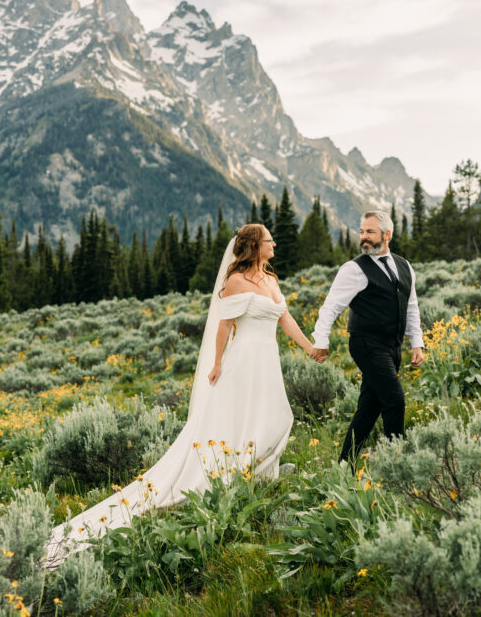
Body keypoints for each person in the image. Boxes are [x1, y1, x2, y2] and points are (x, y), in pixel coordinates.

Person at [43, 223, 315, 568]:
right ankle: (239, 477)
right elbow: (224, 325)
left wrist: (309, 348)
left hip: (268, 361)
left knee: (276, 414)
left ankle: (259, 474)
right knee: (238, 420)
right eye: (268, 240)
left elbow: (285, 318)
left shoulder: (272, 281)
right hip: (244, 360)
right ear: (253, 246)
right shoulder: (236, 281)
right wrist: (216, 364)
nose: (274, 244)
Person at [309, 211, 424, 471]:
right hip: (366, 344)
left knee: (368, 409)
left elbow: (412, 306)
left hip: (392, 346)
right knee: (394, 400)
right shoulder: (353, 269)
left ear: (387, 234)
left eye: (370, 232)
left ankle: (343, 467)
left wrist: (416, 342)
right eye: (361, 232)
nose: (364, 238)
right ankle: (398, 468)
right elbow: (330, 307)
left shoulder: (405, 266)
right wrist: (321, 339)